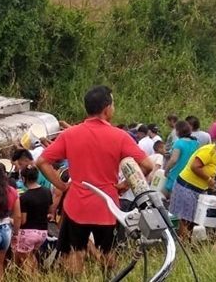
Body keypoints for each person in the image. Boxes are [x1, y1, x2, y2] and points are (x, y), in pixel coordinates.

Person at [36, 85, 154, 276]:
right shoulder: (120, 136)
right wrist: (124, 185)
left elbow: (42, 161)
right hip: (107, 205)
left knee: (75, 251)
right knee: (107, 252)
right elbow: (148, 165)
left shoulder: (70, 134)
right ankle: (111, 278)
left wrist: (62, 185)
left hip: (77, 205)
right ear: (107, 108)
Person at [169, 134, 216, 238]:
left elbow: (207, 171)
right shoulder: (209, 151)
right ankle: (183, 244)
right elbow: (195, 166)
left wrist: (211, 182)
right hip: (187, 187)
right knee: (185, 219)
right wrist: (208, 179)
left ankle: (187, 241)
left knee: (193, 219)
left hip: (198, 190)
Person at [15, 166, 53, 274]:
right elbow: (49, 211)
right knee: (32, 258)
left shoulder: (24, 197)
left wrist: (12, 221)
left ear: (23, 178)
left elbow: (23, 220)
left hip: (28, 233)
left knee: (26, 261)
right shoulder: (47, 192)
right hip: (43, 233)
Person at [163, 120, 199, 198]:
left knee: (167, 198)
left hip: (176, 174)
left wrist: (166, 170)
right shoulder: (196, 143)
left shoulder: (179, 143)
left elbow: (173, 160)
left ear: (178, 131)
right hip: (188, 175)